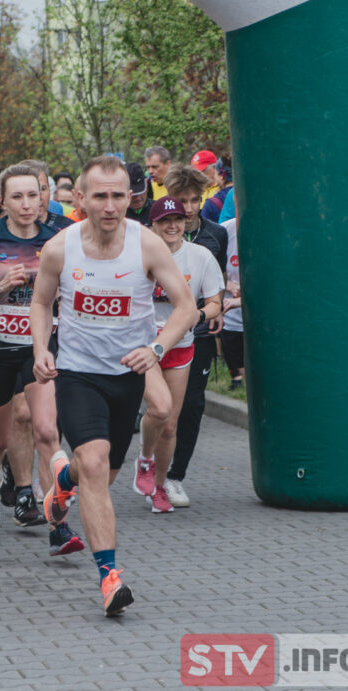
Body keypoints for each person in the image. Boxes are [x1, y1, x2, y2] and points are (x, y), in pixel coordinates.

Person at [30, 155, 196, 615]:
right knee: (95, 463)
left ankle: (63, 479)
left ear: (132, 197)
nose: (109, 205)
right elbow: (42, 304)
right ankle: (109, 576)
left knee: (99, 473)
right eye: (99, 196)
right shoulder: (61, 248)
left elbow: (187, 307)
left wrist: (157, 349)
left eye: (118, 195)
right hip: (79, 373)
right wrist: (41, 349)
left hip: (129, 373)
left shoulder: (146, 245)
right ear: (80, 198)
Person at [0, 164, 83, 555]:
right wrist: (0, 286)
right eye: (17, 196)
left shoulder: (62, 234)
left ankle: (57, 523)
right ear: (2, 200)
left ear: (43, 195)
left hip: (39, 348)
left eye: (34, 195)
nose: (27, 204)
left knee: (47, 431)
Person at [132, 198, 224, 513]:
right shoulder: (136, 255)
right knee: (158, 409)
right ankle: (144, 459)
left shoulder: (201, 256)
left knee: (170, 425)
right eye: (164, 221)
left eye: (178, 219)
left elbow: (214, 302)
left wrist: (195, 316)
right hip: (144, 347)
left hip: (181, 345)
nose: (172, 226)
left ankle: (159, 487)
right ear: (152, 225)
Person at [162, 164, 229, 507]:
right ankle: (150, 463)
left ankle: (174, 477)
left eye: (194, 200)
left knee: (191, 406)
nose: (187, 209)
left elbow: (215, 287)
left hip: (198, 333)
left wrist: (210, 312)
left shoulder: (216, 234)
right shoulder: (153, 235)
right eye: (181, 200)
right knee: (159, 409)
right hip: (156, 334)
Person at [219, 213, 244, 389]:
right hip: (231, 310)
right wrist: (230, 285)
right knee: (231, 343)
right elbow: (212, 271)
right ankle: (236, 378)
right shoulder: (224, 231)